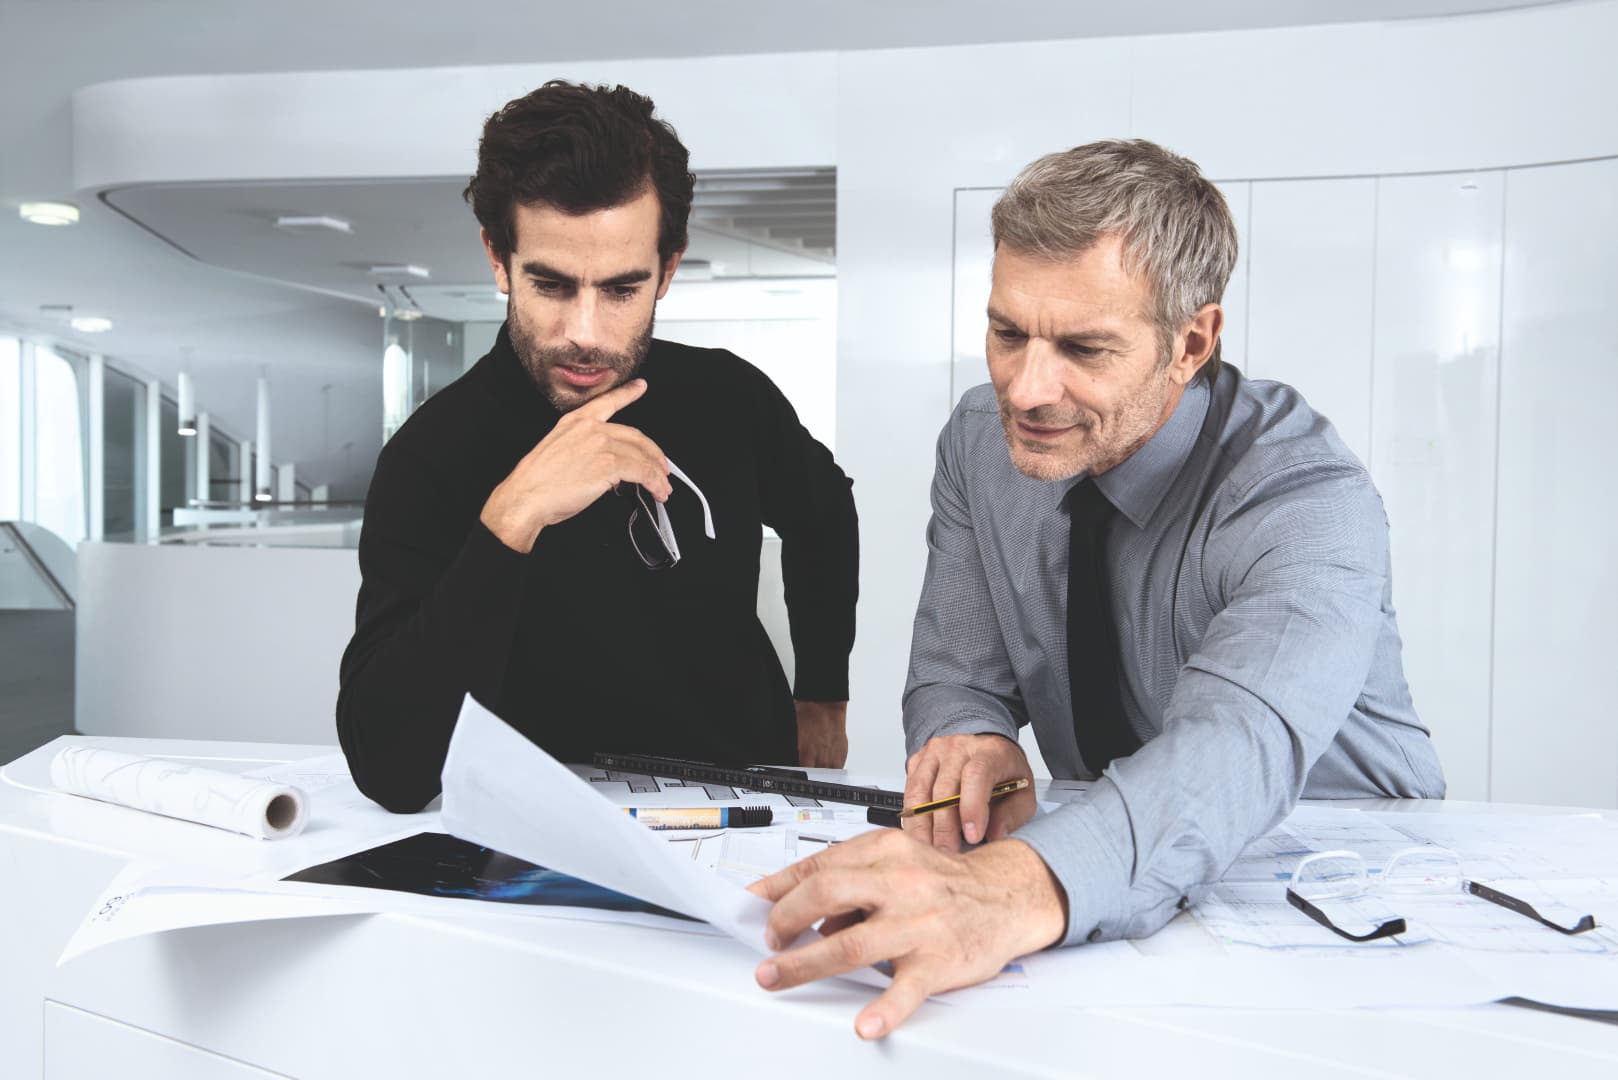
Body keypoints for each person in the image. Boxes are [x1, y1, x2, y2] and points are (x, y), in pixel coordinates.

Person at [746, 139, 1444, 1038]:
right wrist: (972, 738)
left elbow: (1234, 746)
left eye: (1083, 347)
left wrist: (1010, 889)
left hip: (1336, 886)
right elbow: (959, 668)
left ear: (1191, 342)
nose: (1028, 389)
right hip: (1096, 890)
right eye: (1007, 333)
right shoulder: (978, 443)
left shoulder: (1305, 496)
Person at [337, 81, 858, 813]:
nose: (584, 332)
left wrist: (823, 692)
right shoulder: (430, 457)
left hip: (747, 811)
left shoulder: (729, 397)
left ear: (667, 271)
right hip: (538, 829)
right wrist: (510, 519)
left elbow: (825, 513)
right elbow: (391, 772)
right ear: (498, 258)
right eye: (551, 285)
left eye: (620, 290)